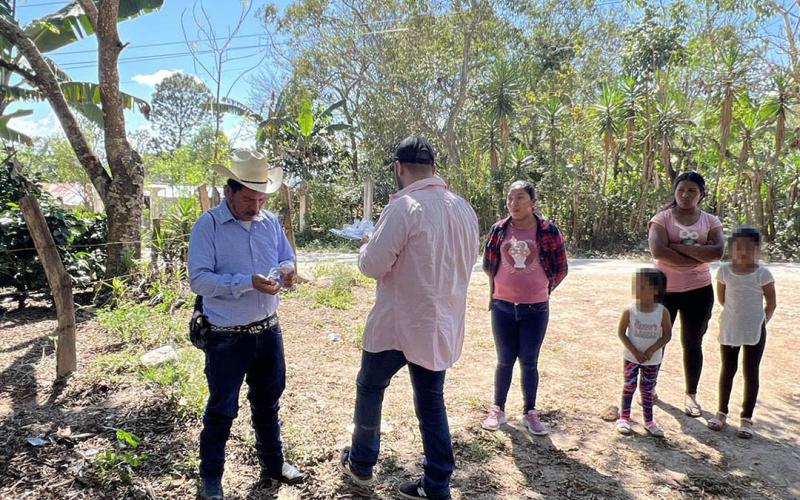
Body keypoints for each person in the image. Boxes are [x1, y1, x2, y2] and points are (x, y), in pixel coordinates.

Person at [338, 135, 480, 500]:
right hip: (438, 326)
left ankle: (362, 464)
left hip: (398, 325)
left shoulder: (405, 208)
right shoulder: (463, 208)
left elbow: (373, 265)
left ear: (399, 169)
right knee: (431, 400)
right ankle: (437, 484)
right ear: (434, 169)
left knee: (370, 388)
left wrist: (367, 243)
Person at [188, 149, 304, 500]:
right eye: (248, 200)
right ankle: (211, 478)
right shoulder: (208, 225)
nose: (255, 207)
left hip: (268, 329)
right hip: (226, 336)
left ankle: (273, 463)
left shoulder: (269, 222)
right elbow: (199, 281)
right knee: (222, 408)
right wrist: (245, 282)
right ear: (229, 192)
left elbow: (286, 256)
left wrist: (288, 272)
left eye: (260, 199)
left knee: (268, 401)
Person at [480, 181, 568, 435]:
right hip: (503, 307)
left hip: (536, 309)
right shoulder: (499, 229)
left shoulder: (548, 231)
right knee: (504, 360)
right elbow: (488, 263)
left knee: (529, 361)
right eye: (510, 198)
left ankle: (530, 412)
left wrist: (541, 288)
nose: (513, 204)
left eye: (520, 198)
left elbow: (560, 268)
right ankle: (498, 409)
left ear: (533, 202)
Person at [648, 171, 723, 418]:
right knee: (657, 339)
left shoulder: (711, 221)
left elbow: (717, 253)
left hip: (699, 291)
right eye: (681, 190)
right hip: (664, 290)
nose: (685, 194)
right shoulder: (662, 219)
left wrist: (677, 247)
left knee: (693, 343)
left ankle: (691, 395)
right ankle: (650, 388)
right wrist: (696, 251)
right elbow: (658, 251)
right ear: (675, 191)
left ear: (701, 194)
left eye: (692, 190)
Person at [707, 227, 777, 439]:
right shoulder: (724, 271)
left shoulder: (762, 274)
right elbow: (722, 299)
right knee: (727, 370)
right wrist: (737, 317)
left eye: (749, 246)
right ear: (731, 249)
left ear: (757, 249)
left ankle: (746, 418)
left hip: (755, 329)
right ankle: (721, 413)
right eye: (738, 246)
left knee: (751, 372)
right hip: (730, 327)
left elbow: (771, 304)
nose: (743, 251)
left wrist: (759, 322)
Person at [615, 269, 673, 437]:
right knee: (629, 386)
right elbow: (621, 333)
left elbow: (667, 335)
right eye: (636, 286)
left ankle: (649, 421)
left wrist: (651, 350)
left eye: (642, 286)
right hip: (631, 358)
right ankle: (624, 417)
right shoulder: (629, 310)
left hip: (652, 360)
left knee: (647, 390)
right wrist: (634, 352)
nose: (637, 290)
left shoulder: (662, 312)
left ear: (655, 289)